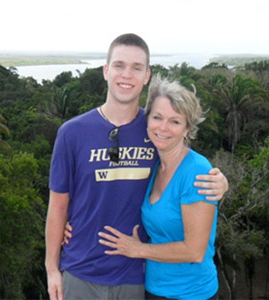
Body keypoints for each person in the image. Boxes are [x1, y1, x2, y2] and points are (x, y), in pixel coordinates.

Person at [45, 33, 228, 300]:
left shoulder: (155, 128)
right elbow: (58, 204)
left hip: (134, 276)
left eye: (136, 68)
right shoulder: (72, 133)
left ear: (147, 76)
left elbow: (187, 165)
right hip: (80, 271)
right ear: (106, 71)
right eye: (119, 65)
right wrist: (52, 268)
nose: (126, 75)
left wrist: (220, 183)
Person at [98, 74, 219, 300]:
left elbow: (195, 250)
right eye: (157, 117)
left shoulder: (197, 171)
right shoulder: (154, 164)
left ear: (187, 129)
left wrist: (138, 249)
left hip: (192, 293)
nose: (163, 128)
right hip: (154, 289)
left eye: (175, 121)